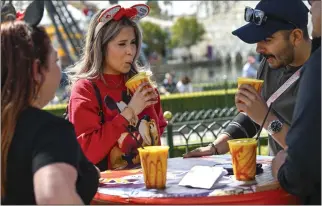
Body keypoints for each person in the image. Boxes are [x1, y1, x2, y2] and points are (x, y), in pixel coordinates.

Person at [184, 0, 311, 158]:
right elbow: (254, 117)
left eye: (267, 39)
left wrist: (267, 119)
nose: (258, 49)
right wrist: (214, 148)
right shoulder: (270, 63)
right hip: (282, 176)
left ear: (296, 36)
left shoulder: (317, 72)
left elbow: (311, 152)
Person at [1, 1, 98, 204]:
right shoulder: (48, 131)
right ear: (37, 70)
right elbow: (53, 196)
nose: (59, 70)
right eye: (55, 61)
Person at [66, 4, 167, 171]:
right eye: (122, 44)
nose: (131, 51)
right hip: (109, 193)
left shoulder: (141, 83)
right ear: (101, 46)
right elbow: (87, 152)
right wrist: (130, 112)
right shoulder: (85, 89)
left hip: (151, 181)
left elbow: (159, 126)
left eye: (133, 42)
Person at [272, 0, 321, 204]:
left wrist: (282, 169)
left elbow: (301, 170)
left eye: (267, 39)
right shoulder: (268, 68)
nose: (312, 8)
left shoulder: (317, 66)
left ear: (296, 36)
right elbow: (250, 113)